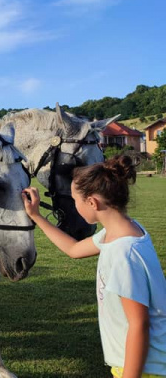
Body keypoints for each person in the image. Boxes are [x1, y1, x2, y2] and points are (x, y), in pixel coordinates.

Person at [21, 155, 166, 378]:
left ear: (92, 202)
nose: (74, 206)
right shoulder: (122, 231)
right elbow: (74, 249)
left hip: (146, 368)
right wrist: (36, 216)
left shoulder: (123, 253)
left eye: (75, 201)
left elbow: (139, 324)